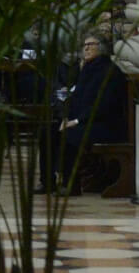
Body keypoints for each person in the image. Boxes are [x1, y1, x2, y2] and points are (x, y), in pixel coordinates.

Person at [46, 33, 130, 194]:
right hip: (87, 121)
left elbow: (103, 106)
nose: (86, 48)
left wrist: (76, 121)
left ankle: (71, 185)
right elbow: (77, 98)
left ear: (102, 48)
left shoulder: (110, 71)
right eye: (84, 45)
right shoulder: (88, 68)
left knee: (69, 135)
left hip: (106, 125)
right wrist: (66, 117)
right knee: (48, 130)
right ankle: (47, 181)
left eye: (91, 44)